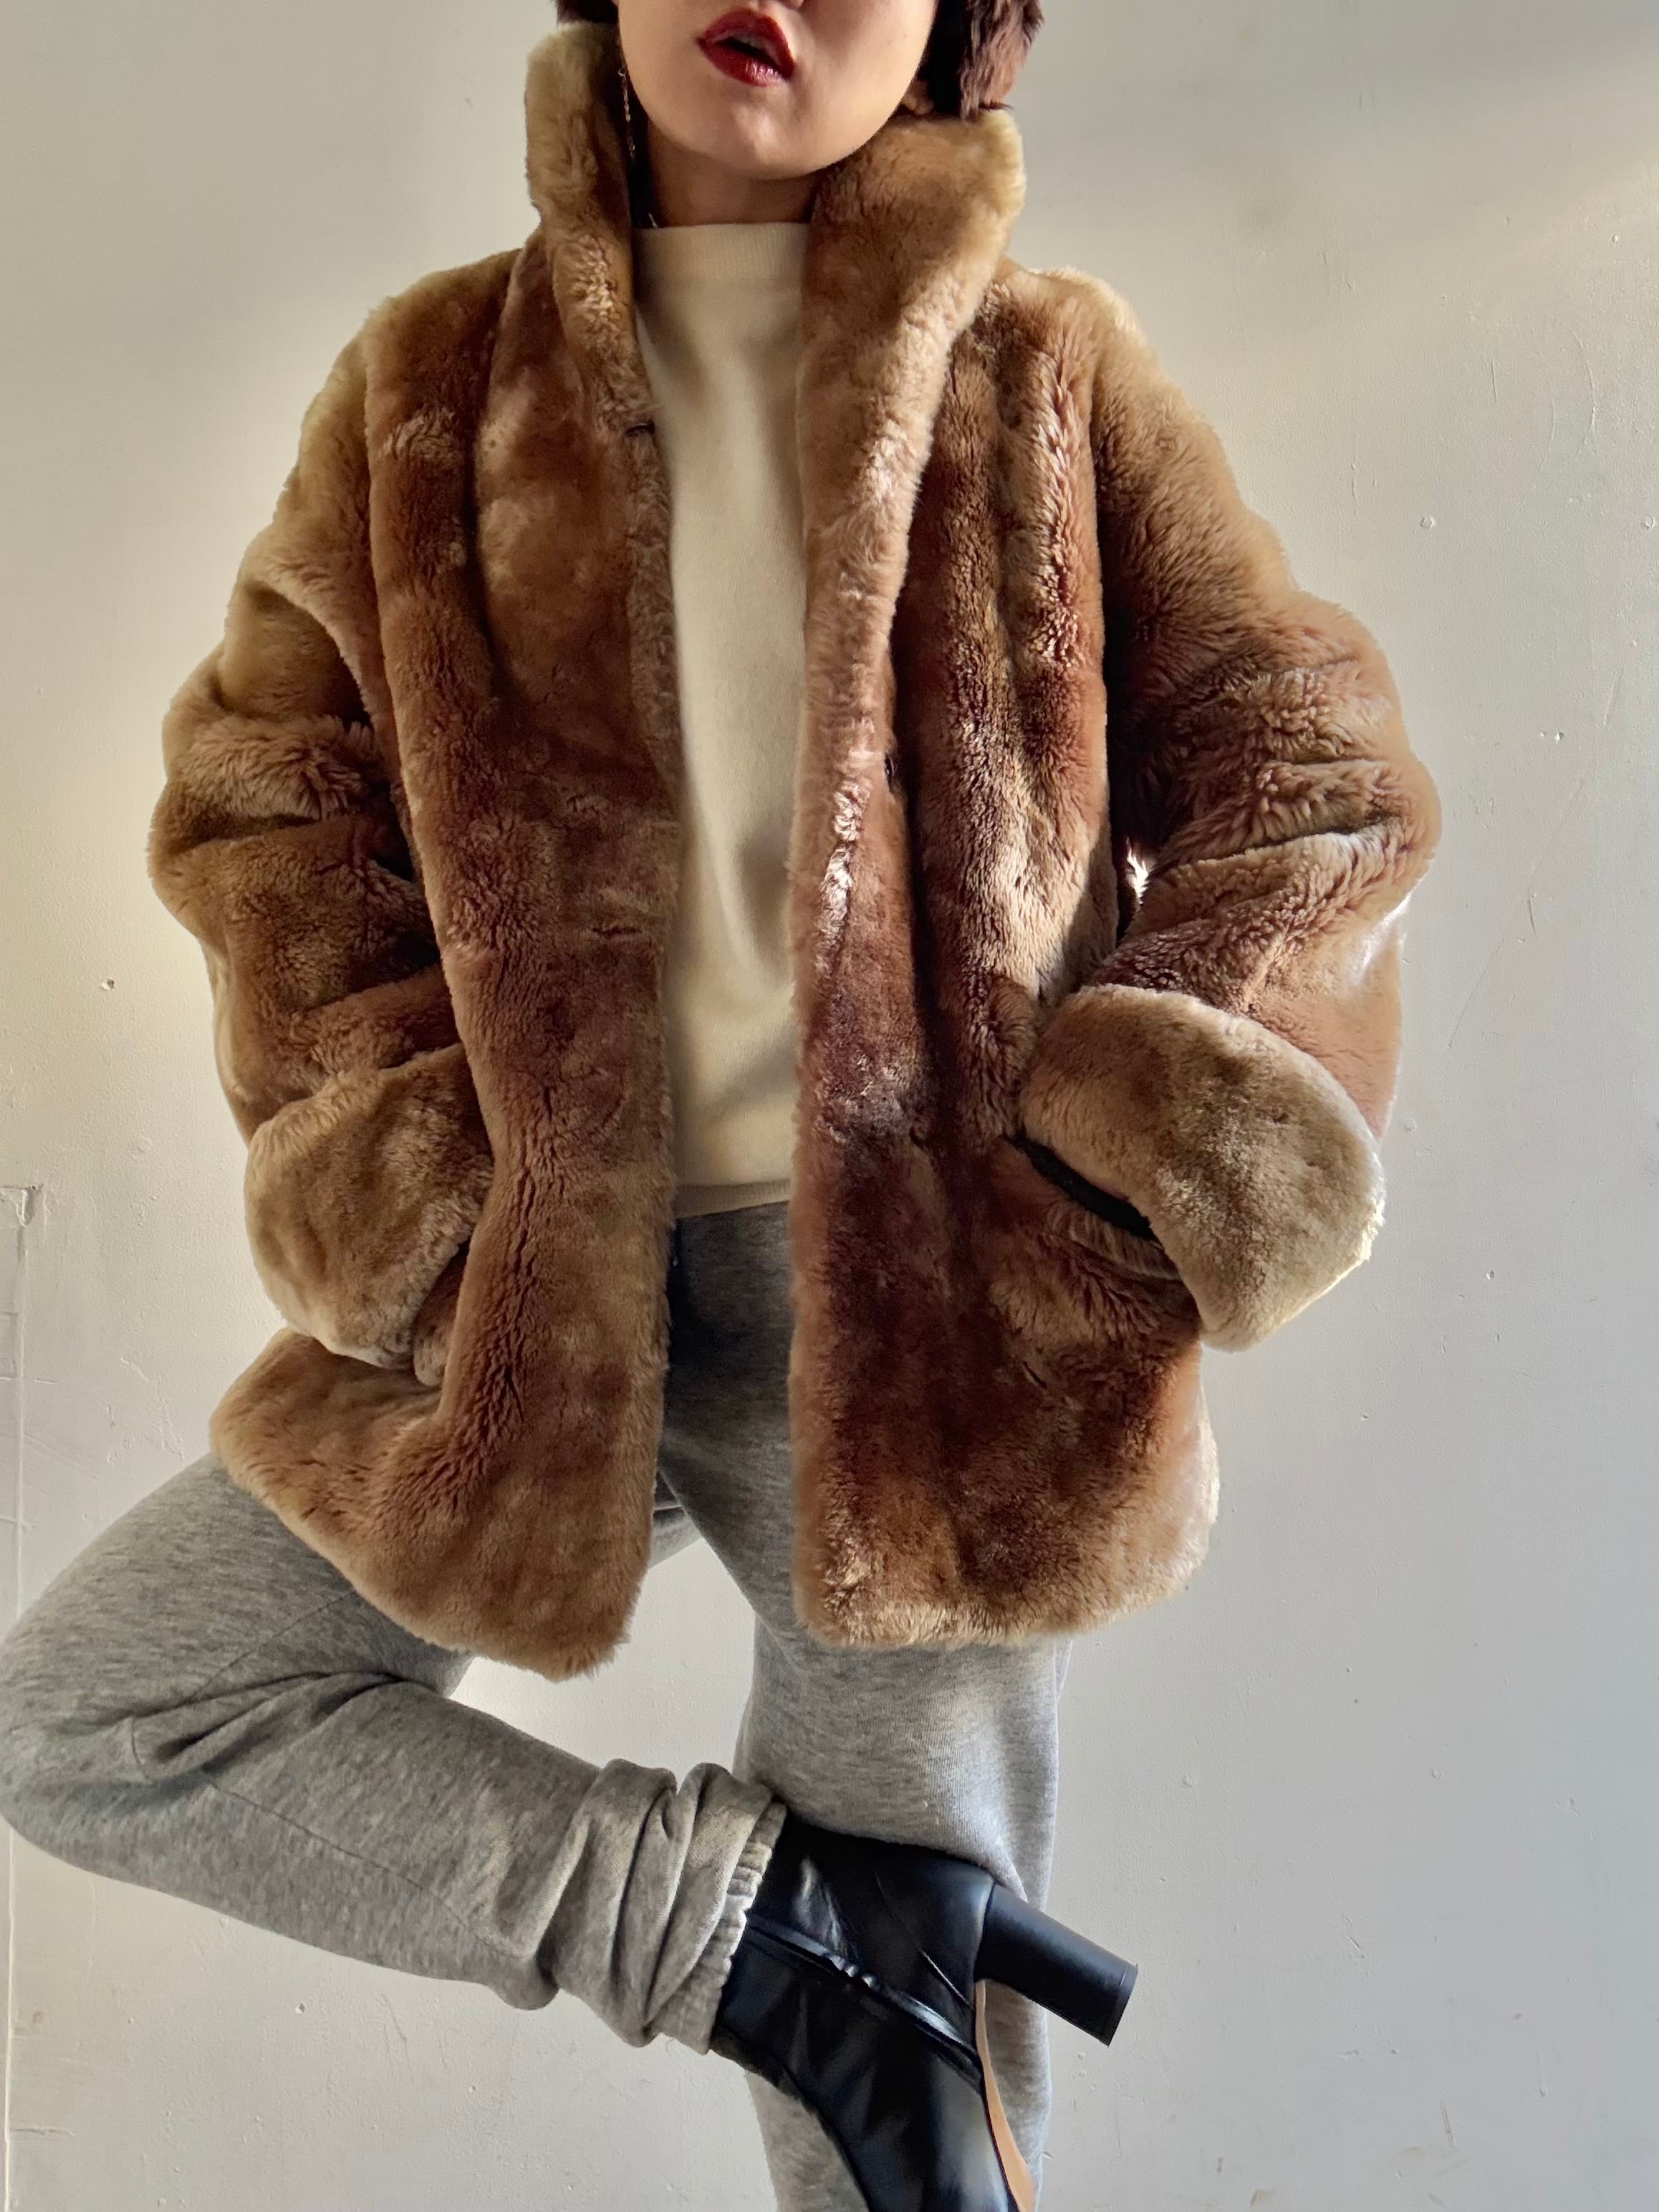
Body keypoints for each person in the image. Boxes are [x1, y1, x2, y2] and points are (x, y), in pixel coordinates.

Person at [0, 2, 1441, 2206]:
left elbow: (1310, 786)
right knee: (101, 1716)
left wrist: (1130, 1169)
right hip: (529, 1302)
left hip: (943, 1328)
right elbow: (267, 801)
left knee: (908, 2151)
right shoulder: (425, 388)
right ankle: (768, 1945)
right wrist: (401, 1194)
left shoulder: (1039, 374)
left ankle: (847, 1974)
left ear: (959, 27)